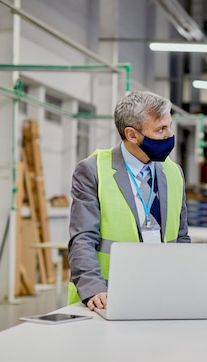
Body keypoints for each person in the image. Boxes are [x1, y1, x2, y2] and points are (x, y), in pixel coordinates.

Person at [67, 90, 190, 310]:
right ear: (132, 135)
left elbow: (181, 237)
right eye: (161, 129)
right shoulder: (93, 170)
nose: (169, 135)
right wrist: (93, 288)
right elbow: (82, 238)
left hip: (162, 291)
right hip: (108, 294)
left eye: (169, 126)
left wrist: (183, 284)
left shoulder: (174, 172)